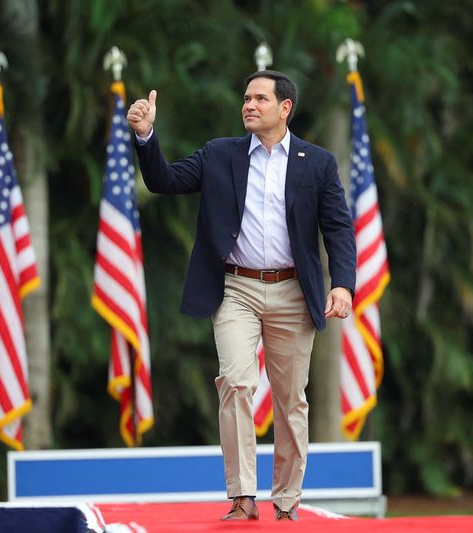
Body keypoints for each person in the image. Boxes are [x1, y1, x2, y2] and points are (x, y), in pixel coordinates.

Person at [127, 70, 356, 522]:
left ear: (284, 108)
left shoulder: (318, 163)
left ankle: (287, 503)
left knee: (292, 401)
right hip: (235, 288)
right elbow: (165, 181)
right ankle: (242, 495)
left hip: (294, 291)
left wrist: (343, 283)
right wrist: (145, 134)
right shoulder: (219, 154)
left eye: (260, 99)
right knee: (235, 382)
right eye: (246, 98)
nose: (249, 105)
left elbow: (338, 227)